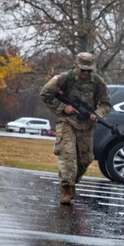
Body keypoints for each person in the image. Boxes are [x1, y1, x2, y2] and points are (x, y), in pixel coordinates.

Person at [40, 52, 111, 205]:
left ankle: (71, 182)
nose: (85, 73)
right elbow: (45, 93)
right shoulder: (65, 78)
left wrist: (97, 114)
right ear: (76, 66)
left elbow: (106, 103)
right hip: (66, 122)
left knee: (85, 159)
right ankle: (66, 189)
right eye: (82, 69)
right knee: (68, 155)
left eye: (88, 70)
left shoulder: (98, 82)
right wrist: (62, 107)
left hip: (86, 125)